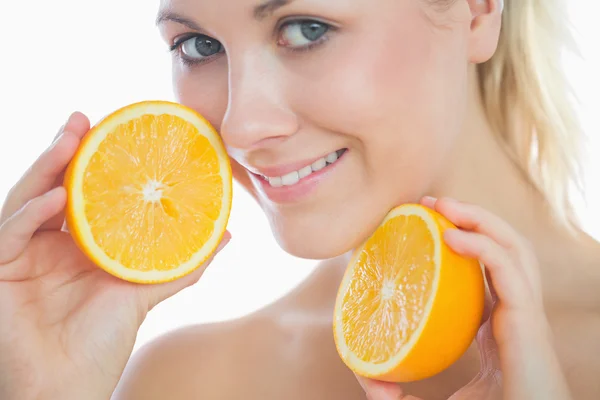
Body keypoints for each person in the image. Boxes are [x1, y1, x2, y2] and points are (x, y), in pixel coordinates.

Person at [0, 0, 598, 398]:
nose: (239, 126)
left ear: (475, 10)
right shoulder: (185, 383)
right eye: (200, 47)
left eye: (306, 29)